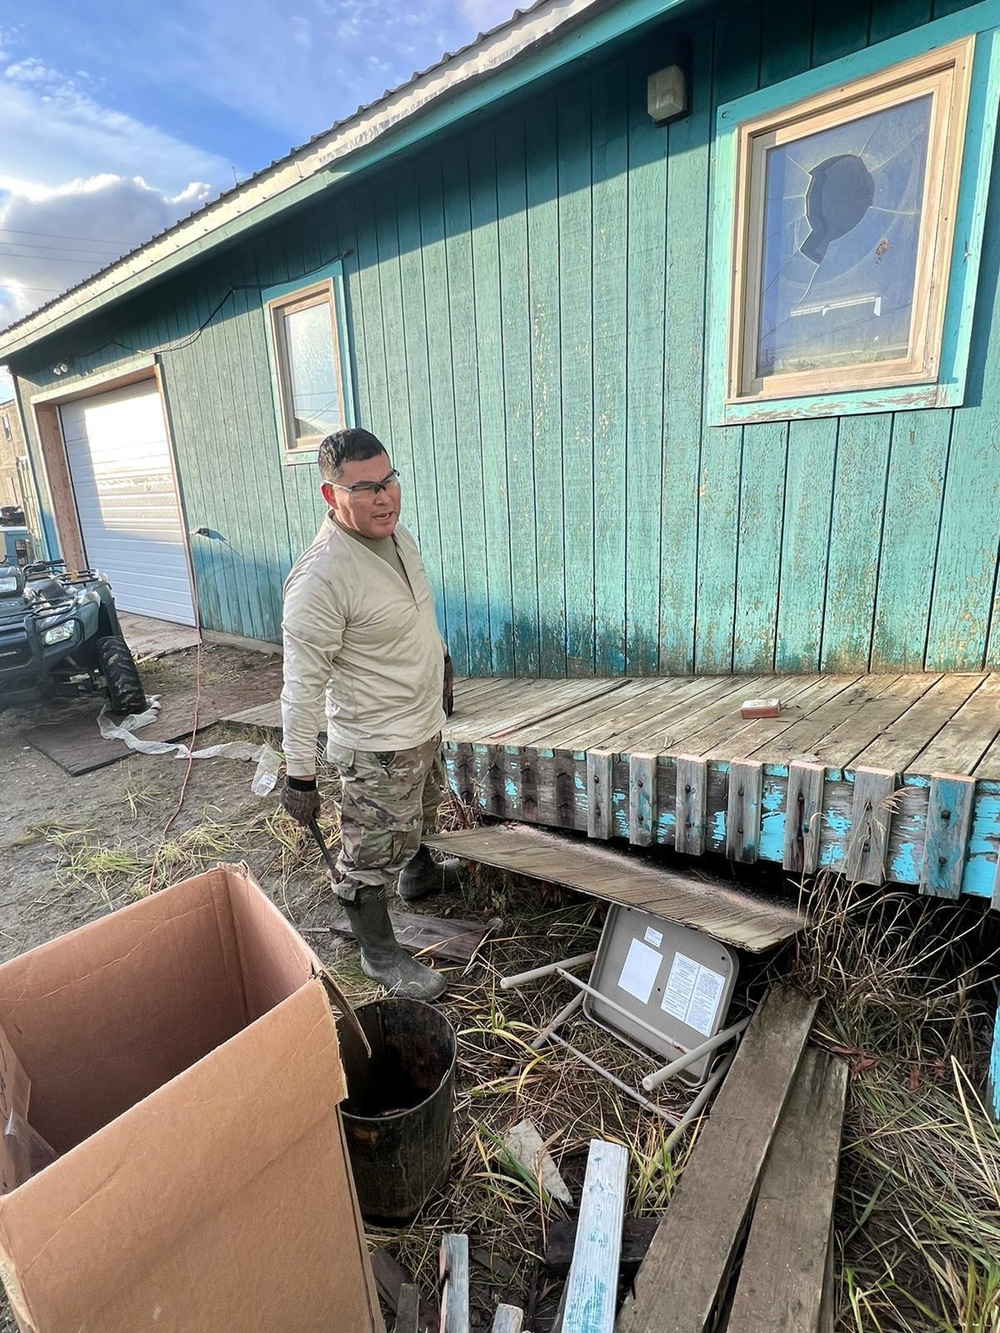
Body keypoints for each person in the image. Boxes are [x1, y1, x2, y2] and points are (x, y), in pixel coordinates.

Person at [279, 427, 458, 1001]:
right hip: (377, 741)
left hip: (423, 718)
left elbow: (414, 613)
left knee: (421, 810)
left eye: (388, 482)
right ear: (332, 496)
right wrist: (299, 773)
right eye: (365, 489)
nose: (384, 498)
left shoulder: (397, 536)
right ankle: (380, 955)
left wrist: (442, 661)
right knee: (368, 852)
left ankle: (418, 877)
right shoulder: (319, 579)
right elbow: (300, 689)